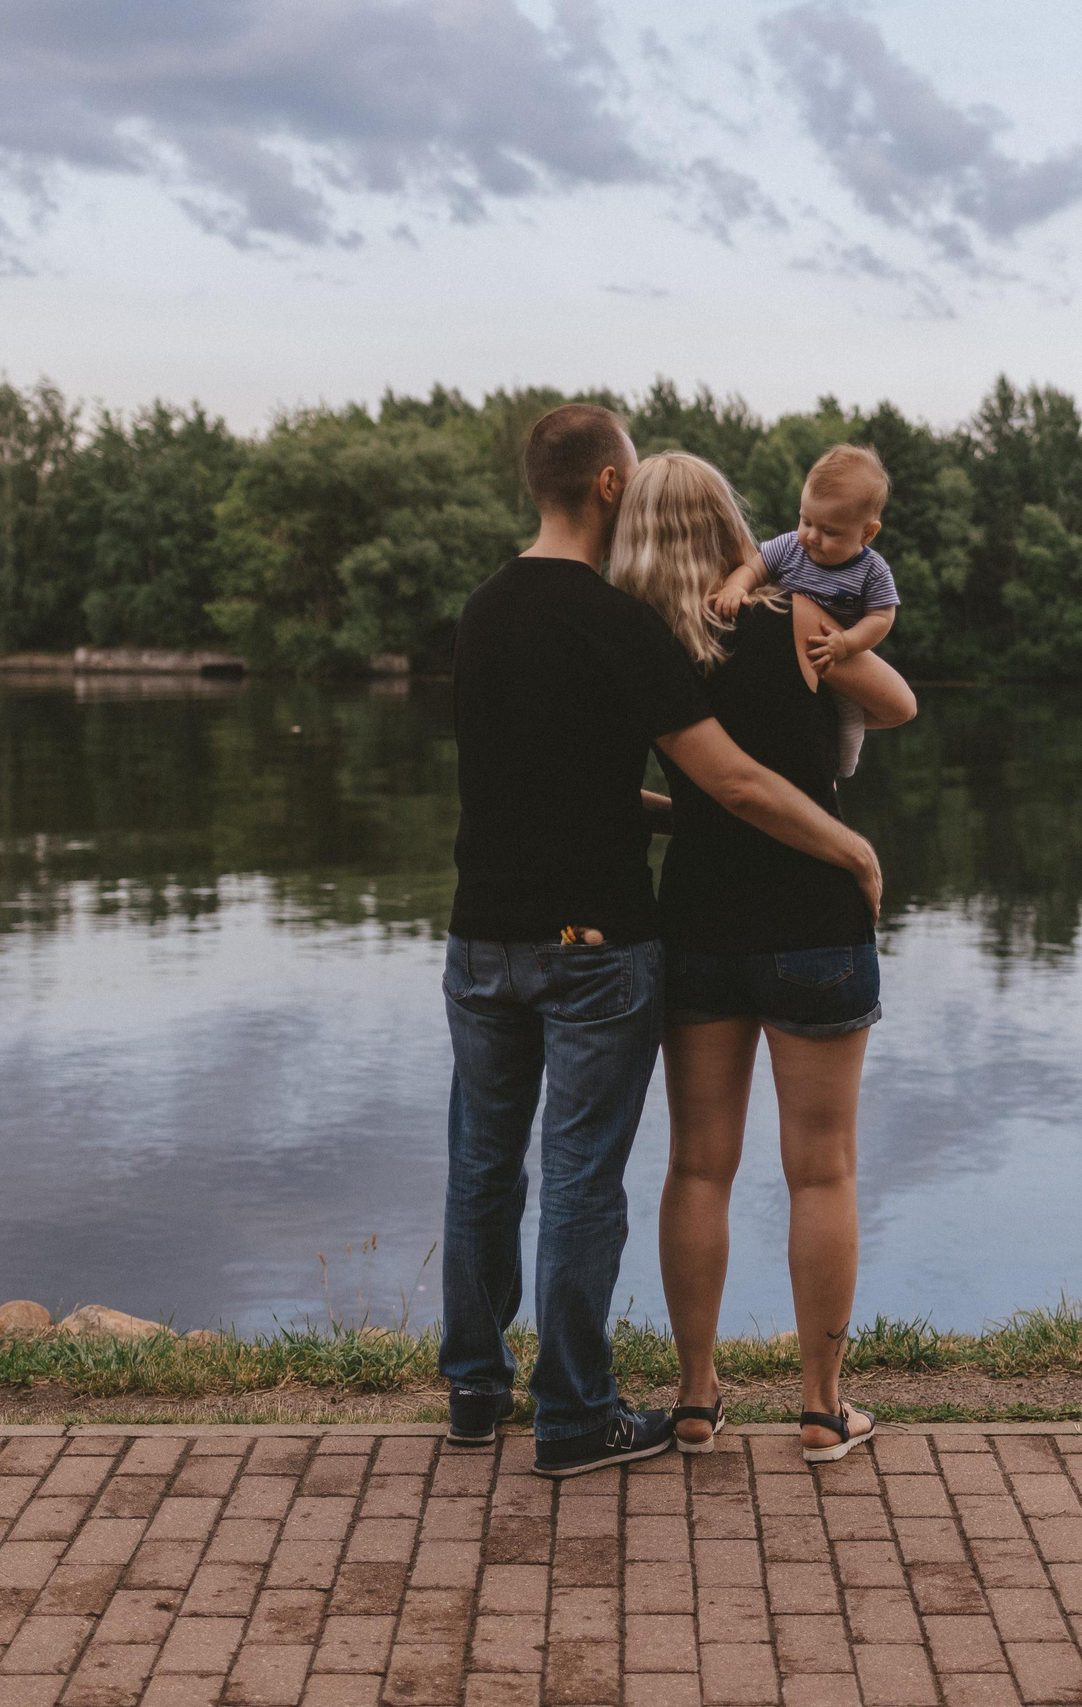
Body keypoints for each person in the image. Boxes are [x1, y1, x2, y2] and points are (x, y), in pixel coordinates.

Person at [442, 404, 885, 1479]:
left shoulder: (553, 618)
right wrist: (853, 852)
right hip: (701, 932)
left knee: (585, 1166)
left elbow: (615, 781)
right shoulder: (701, 619)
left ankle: (574, 1395)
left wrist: (673, 811)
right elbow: (783, 754)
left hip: (579, 933)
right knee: (753, 1173)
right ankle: (765, 1413)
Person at [607, 452, 917, 1465]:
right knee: (820, 1172)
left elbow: (659, 791)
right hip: (815, 922)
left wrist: (685, 819)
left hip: (696, 925)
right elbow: (896, 703)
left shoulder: (638, 642)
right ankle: (823, 1411)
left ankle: (695, 1403)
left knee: (697, 1165)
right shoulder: (794, 616)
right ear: (733, 523)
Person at [708, 443, 900, 779]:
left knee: (847, 730)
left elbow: (882, 617)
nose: (811, 536)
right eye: (806, 520)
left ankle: (833, 777)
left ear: (867, 533)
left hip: (837, 658)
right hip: (789, 659)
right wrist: (735, 587)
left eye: (829, 531)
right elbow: (754, 569)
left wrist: (848, 643)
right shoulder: (789, 546)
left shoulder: (872, 570)